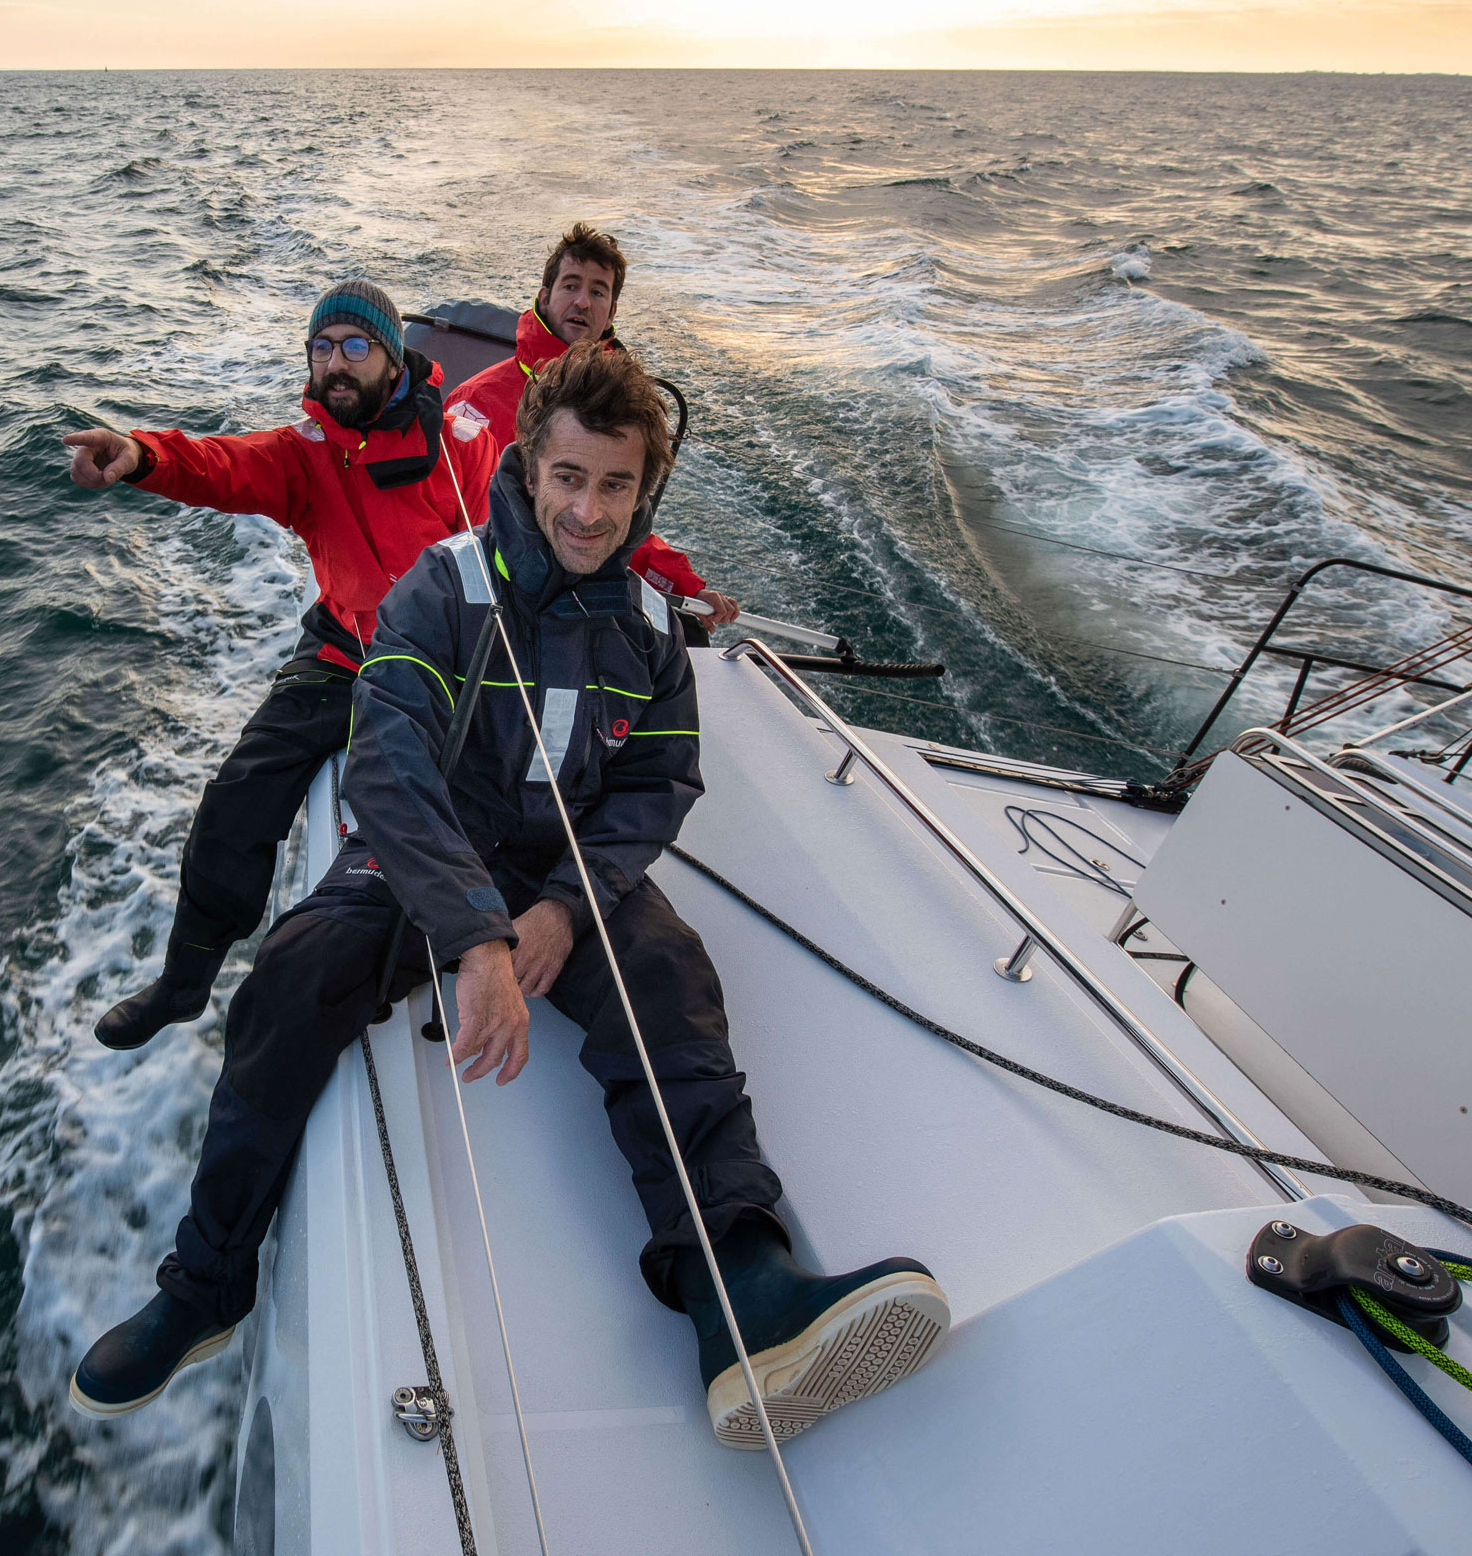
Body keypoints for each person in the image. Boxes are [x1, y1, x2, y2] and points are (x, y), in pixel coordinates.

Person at [71, 343, 949, 1448]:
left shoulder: (646, 629)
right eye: (569, 477)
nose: (588, 510)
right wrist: (477, 937)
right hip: (425, 852)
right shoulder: (442, 588)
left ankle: (740, 1291)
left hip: (559, 868)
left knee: (670, 980)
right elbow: (387, 765)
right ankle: (205, 1286)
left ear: (644, 490)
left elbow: (655, 782)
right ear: (531, 465)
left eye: (616, 485)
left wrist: (566, 909)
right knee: (291, 978)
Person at [64, 278, 730, 1055]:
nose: (336, 364)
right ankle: (186, 977)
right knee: (240, 794)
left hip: (445, 653)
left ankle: (452, 920)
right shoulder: (302, 455)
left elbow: (574, 519)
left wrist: (676, 581)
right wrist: (141, 456)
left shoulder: (458, 443)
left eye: (356, 346)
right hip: (344, 648)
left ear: (391, 357)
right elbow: (220, 465)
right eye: (322, 348)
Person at [445, 221, 740, 639]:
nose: (582, 301)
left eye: (598, 291)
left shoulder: (621, 409)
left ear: (611, 313)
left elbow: (617, 517)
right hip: (495, 600)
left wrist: (687, 589)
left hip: (584, 593)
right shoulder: (475, 404)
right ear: (545, 296)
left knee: (687, 635)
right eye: (570, 285)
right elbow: (450, 526)